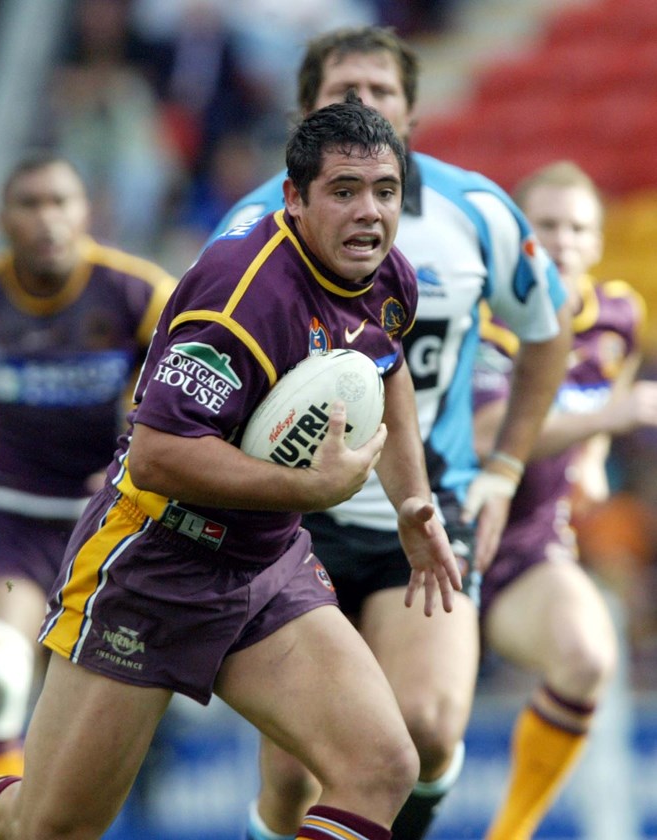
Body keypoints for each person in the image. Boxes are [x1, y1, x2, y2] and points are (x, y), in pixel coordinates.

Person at [0, 94, 464, 840]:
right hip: (156, 562)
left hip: (263, 563)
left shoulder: (386, 275)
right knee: (51, 826)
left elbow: (387, 364)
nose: (369, 213)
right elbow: (158, 457)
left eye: (384, 192)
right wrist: (307, 488)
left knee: (381, 767)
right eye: (343, 192)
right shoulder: (241, 296)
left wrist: (414, 504)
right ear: (295, 198)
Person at [207, 25, 572, 840]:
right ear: (308, 110)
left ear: (410, 110)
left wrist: (505, 468)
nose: (363, 103)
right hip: (295, 523)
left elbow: (547, 333)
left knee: (430, 730)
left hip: (425, 505)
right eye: (344, 90)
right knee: (297, 775)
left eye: (380, 90)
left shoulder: (476, 211)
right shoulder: (252, 226)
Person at [0, 151, 178, 793]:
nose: (48, 218)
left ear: (86, 212)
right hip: (6, 526)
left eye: (61, 202)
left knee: (79, 741)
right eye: (31, 203)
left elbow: (199, 396)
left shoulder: (139, 295)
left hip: (112, 530)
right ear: (3, 219)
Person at [473, 160, 657, 840]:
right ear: (518, 237)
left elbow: (613, 382)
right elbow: (493, 431)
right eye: (545, 225)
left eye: (579, 227)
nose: (562, 240)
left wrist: (595, 461)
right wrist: (608, 420)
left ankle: (510, 832)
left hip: (528, 547)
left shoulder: (617, 314)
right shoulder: (487, 319)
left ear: (599, 241)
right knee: (409, 744)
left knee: (588, 656)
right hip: (437, 549)